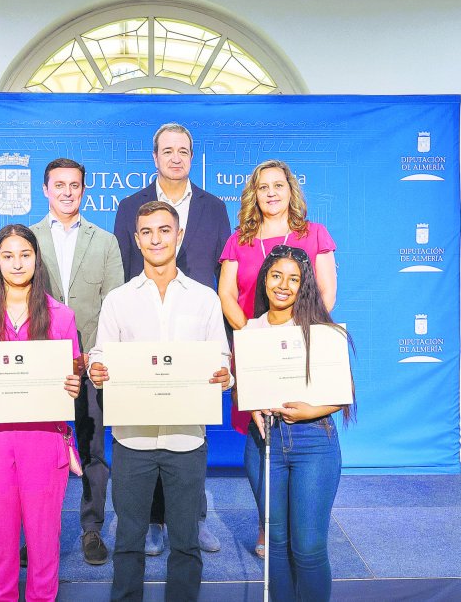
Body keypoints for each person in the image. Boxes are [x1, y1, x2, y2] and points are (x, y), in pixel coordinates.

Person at [90, 201, 233, 602]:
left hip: (186, 439)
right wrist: (96, 369)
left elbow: (220, 359)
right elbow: (102, 354)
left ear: (179, 235)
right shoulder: (118, 299)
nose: (156, 239)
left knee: (185, 542)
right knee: (129, 541)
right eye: (147, 232)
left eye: (164, 230)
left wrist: (225, 376)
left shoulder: (205, 299)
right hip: (132, 440)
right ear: (137, 240)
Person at [0, 223, 83, 602]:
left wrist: (74, 384)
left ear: (37, 259)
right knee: (0, 541)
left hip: (44, 440)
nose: (17, 263)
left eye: (25, 255)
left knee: (44, 541)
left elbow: (70, 377)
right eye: (8, 256)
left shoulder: (61, 316)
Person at [112, 122, 230, 554]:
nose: (176, 157)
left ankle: (191, 517)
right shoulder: (130, 207)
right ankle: (155, 522)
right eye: (168, 151)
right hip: (144, 332)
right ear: (155, 158)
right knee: (147, 427)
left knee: (189, 430)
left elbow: (222, 271)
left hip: (194, 333)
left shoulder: (215, 208)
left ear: (192, 157)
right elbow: (125, 268)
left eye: (184, 150)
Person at [217, 159, 337, 557]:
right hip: (254, 345)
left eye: (278, 186)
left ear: (291, 191)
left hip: (304, 346)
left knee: (296, 419)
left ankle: (301, 523)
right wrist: (252, 336)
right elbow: (227, 295)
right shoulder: (239, 240)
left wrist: (294, 333)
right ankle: (269, 526)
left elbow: (325, 294)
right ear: (253, 193)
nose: (271, 193)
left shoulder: (315, 234)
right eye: (263, 187)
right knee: (261, 431)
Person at [241, 245, 355, 601]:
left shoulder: (320, 329)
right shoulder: (250, 331)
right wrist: (252, 405)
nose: (283, 286)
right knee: (275, 543)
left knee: (307, 547)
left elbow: (343, 393)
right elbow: (244, 391)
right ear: (264, 279)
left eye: (294, 279)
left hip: (313, 442)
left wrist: (308, 411)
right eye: (276, 276)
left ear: (303, 285)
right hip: (266, 443)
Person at [30, 158, 124, 565]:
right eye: (59, 185)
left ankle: (91, 530)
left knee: (93, 452)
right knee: (38, 453)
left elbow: (115, 305)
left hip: (89, 364)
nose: (67, 192)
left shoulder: (104, 241)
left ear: (84, 190)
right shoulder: (24, 240)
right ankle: (38, 535)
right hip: (38, 365)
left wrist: (95, 356)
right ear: (45, 190)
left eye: (75, 185)